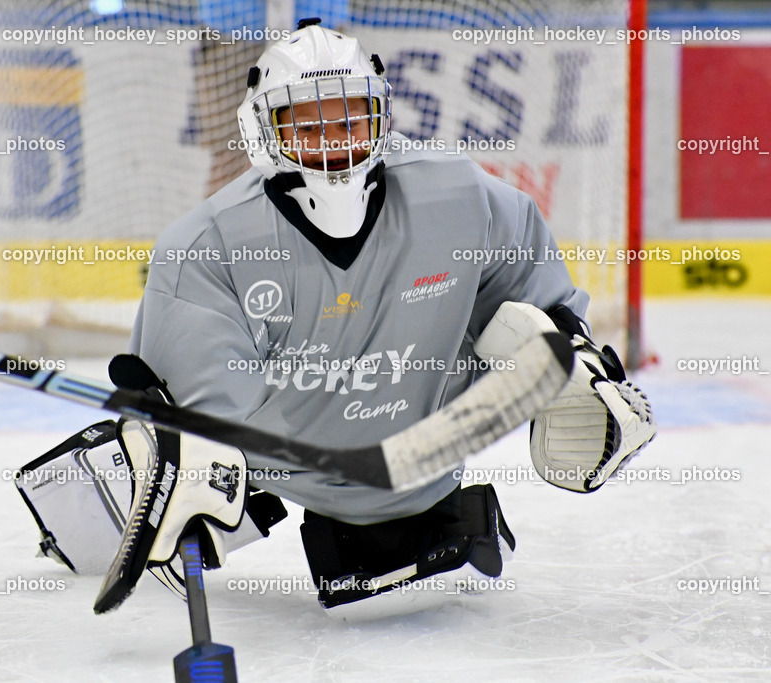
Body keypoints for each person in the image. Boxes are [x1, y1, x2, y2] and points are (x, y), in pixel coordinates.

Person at [96, 18, 655, 616]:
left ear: (381, 118)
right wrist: (193, 458)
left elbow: (536, 303)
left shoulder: (459, 197)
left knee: (528, 335)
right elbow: (198, 399)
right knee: (109, 497)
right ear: (264, 132)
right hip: (276, 469)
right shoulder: (205, 243)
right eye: (306, 126)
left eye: (347, 119)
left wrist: (577, 362)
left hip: (422, 469)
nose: (333, 141)